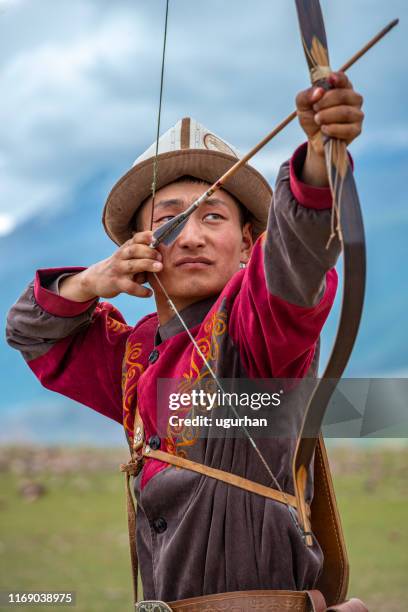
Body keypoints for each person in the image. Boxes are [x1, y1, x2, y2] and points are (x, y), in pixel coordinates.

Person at [6, 72, 364, 603]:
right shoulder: (134, 355)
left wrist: (317, 158)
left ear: (248, 245)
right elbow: (31, 333)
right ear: (142, 250)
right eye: (169, 222)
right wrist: (89, 282)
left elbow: (297, 262)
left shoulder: (257, 331)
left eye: (213, 217)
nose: (191, 235)